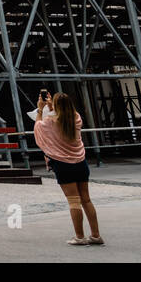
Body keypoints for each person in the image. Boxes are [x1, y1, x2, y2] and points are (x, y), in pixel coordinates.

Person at [32, 91, 103, 246]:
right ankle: (96, 235)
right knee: (86, 199)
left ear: (56, 106)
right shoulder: (76, 119)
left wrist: (40, 109)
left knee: (73, 201)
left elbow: (38, 128)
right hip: (80, 162)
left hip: (63, 164)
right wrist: (53, 105)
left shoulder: (50, 122)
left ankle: (79, 236)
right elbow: (64, 114)